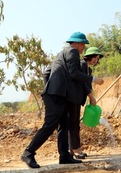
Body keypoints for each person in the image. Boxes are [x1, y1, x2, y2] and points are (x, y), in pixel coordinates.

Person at [21, 32, 104, 168]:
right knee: (50, 125)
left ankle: (64, 156)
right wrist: (94, 79)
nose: (83, 47)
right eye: (82, 43)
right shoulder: (72, 51)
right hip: (55, 96)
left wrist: (51, 88)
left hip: (58, 95)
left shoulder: (62, 54)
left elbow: (47, 73)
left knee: (64, 126)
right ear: (75, 43)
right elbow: (74, 73)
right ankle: (28, 153)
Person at [68, 46, 104, 159]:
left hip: (78, 98)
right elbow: (82, 82)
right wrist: (91, 96)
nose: (96, 61)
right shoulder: (82, 65)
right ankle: (74, 150)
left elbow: (87, 85)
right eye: (95, 57)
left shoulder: (89, 69)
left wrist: (90, 95)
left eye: (97, 59)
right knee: (72, 125)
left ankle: (76, 148)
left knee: (75, 124)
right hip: (72, 97)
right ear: (89, 56)